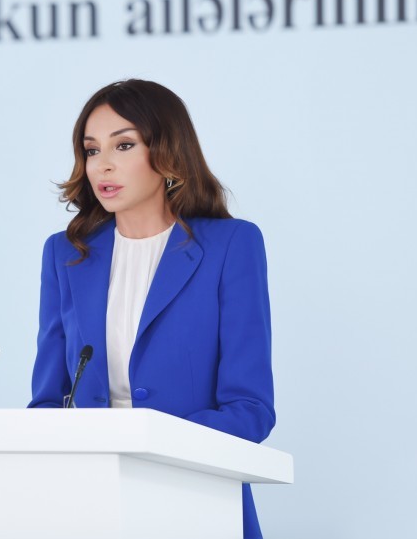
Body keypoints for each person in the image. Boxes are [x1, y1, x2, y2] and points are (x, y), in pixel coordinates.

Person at [29, 79, 275, 538]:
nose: (103, 164)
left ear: (167, 153)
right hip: (88, 504)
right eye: (91, 150)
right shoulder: (64, 254)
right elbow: (48, 401)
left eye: (123, 145)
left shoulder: (231, 245)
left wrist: (152, 446)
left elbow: (250, 409)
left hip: (196, 497)